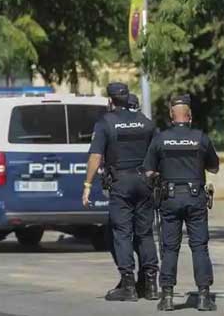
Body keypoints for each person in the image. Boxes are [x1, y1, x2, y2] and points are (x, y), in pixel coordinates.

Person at [143, 94, 220, 312]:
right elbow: (214, 167)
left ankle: (167, 297)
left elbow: (148, 170)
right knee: (199, 247)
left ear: (171, 115)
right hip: (195, 197)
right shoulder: (200, 137)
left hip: (170, 197)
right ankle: (204, 297)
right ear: (190, 116)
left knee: (170, 248)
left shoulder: (160, 139)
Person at [84, 82, 158, 301]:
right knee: (145, 234)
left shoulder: (105, 123)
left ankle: (128, 285)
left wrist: (87, 185)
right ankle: (151, 283)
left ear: (110, 100)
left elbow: (96, 157)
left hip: (121, 183)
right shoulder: (147, 123)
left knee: (121, 233)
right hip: (144, 182)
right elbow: (159, 153)